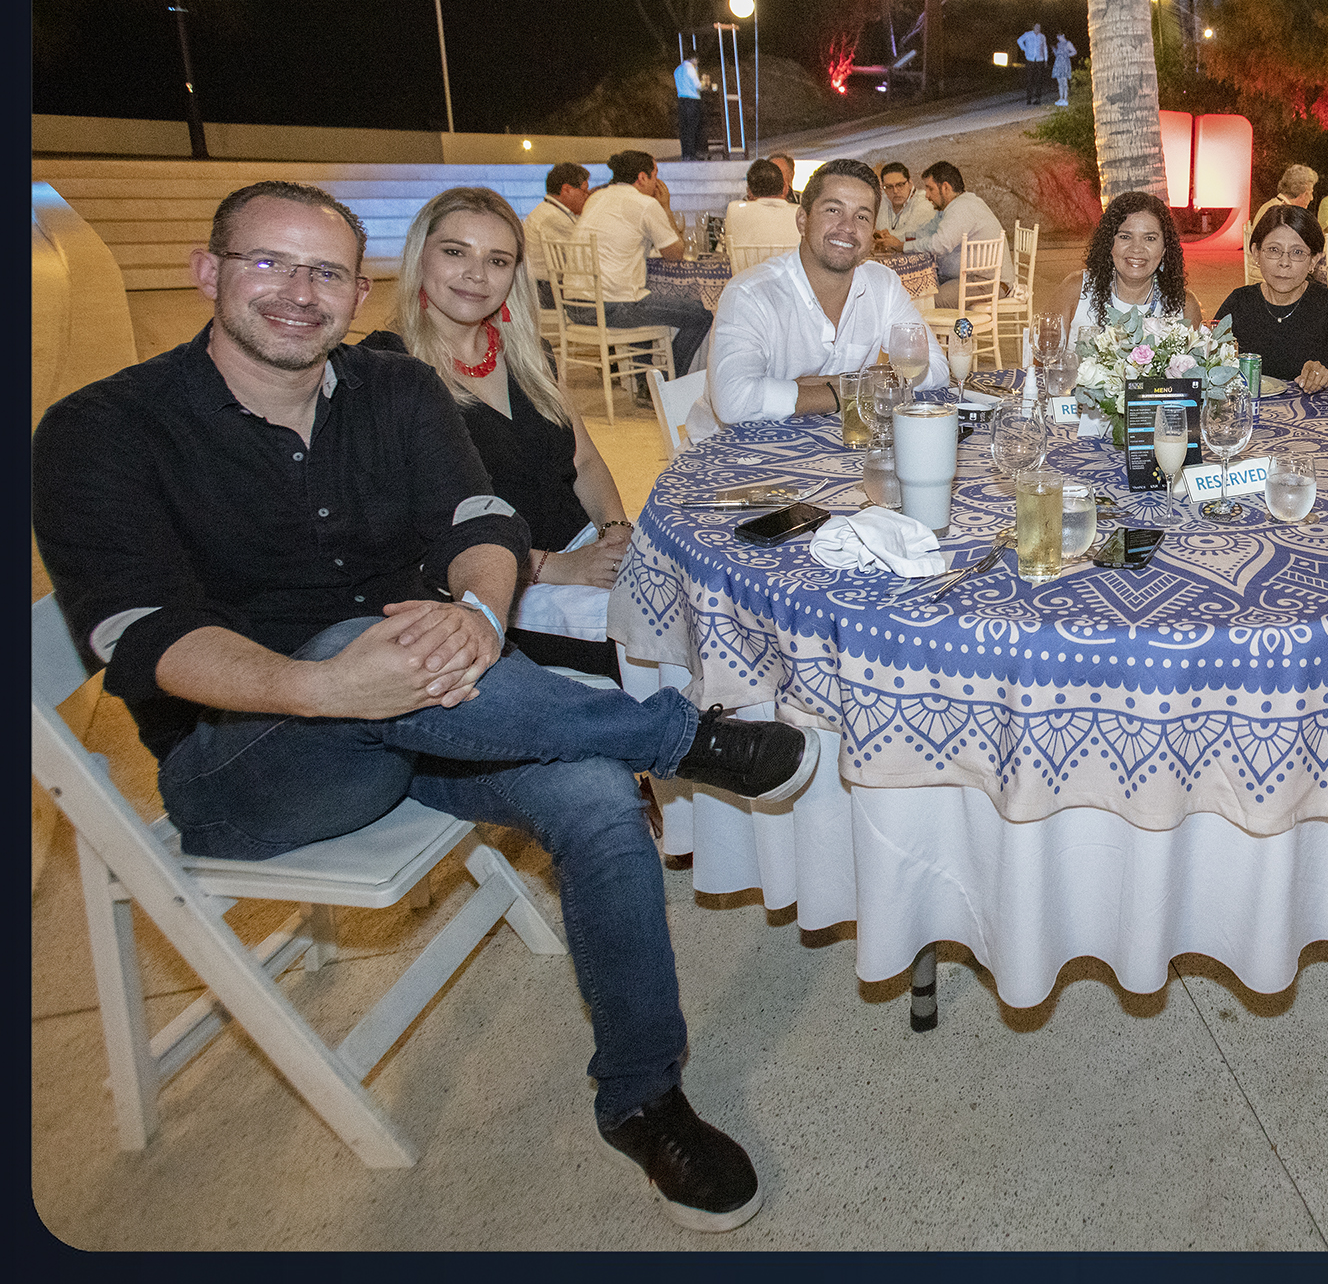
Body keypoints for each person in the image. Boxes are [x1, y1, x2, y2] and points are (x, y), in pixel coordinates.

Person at [31, 180, 826, 1232]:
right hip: (248, 759)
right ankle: (680, 736)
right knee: (353, 644)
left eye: (324, 271)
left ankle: (643, 1097)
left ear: (357, 289)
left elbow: (482, 519)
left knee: (595, 798)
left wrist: (482, 617)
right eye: (270, 263)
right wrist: (322, 685)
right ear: (207, 270)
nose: (299, 292)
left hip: (433, 707)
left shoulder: (393, 389)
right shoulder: (103, 428)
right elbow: (139, 634)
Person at [361, 187, 633, 675]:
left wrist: (615, 533)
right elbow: (409, 529)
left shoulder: (528, 355)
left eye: (497, 260)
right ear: (420, 255)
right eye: (455, 252)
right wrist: (556, 567)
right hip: (496, 584)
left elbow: (585, 461)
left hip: (581, 550)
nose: (476, 275)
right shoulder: (387, 369)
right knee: (657, 632)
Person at [707, 158, 950, 427]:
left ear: (872, 233)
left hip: (835, 442)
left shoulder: (883, 285)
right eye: (833, 210)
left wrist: (806, 388)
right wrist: (851, 389)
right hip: (741, 448)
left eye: (862, 216)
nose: (848, 227)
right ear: (802, 221)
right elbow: (734, 401)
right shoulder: (749, 294)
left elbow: (936, 369)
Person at [566, 151, 712, 378]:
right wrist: (665, 208)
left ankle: (644, 381)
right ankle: (666, 382)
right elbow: (675, 254)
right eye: (655, 175)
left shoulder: (596, 198)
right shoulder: (645, 204)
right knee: (701, 313)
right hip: (610, 307)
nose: (657, 183)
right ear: (642, 177)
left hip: (574, 305)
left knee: (642, 296)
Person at [1214, 204, 1328, 392]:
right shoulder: (1239, 303)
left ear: (1314, 260)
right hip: (1250, 409)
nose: (1284, 262)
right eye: (1274, 250)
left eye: (1297, 252)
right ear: (1256, 253)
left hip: (1309, 411)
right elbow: (1208, 365)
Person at [1068, 189, 1200, 339]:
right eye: (1125, 237)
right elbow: (1048, 350)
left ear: (1165, 248)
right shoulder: (1076, 291)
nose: (1137, 248)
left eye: (1150, 238)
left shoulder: (1185, 306)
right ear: (1109, 244)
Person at [881, 160, 1005, 309]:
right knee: (914, 293)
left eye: (930, 189)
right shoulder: (949, 208)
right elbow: (925, 231)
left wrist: (902, 246)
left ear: (945, 187)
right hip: (965, 279)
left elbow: (940, 244)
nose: (927, 195)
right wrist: (894, 240)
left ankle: (939, 324)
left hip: (986, 283)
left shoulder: (962, 207)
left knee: (924, 302)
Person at [524, 162, 589, 309]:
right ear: (566, 189)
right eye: (584, 191)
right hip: (547, 291)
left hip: (545, 288)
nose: (586, 197)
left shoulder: (549, 210)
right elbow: (584, 257)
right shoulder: (553, 217)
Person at [722, 158, 800, 251]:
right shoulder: (800, 215)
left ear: (750, 192)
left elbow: (721, 251)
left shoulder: (734, 210)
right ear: (785, 188)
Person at [875, 161, 940, 241]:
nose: (895, 191)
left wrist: (883, 237)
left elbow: (915, 236)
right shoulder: (881, 200)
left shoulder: (924, 203)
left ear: (910, 183)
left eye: (900, 185)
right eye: (889, 187)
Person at [672, 54, 704, 161]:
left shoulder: (677, 69)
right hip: (692, 100)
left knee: (684, 128)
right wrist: (704, 82)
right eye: (697, 60)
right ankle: (692, 154)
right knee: (692, 128)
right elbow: (698, 85)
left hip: (681, 100)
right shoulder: (690, 69)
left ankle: (685, 154)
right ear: (693, 58)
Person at [1016, 23, 1049, 106]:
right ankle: (1029, 98)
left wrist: (1046, 59)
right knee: (1029, 79)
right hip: (1030, 59)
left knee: (1039, 79)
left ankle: (1038, 98)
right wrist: (1025, 49)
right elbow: (1019, 40)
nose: (1038, 28)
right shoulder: (1028, 34)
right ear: (1033, 27)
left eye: (1039, 27)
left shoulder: (1042, 36)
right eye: (1036, 27)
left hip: (1039, 60)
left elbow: (1045, 47)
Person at [1050, 32, 1078, 106]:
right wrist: (1054, 50)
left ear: (1063, 35)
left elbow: (1074, 52)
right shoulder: (1058, 44)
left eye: (1059, 36)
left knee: (1064, 82)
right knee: (1060, 82)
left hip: (1064, 64)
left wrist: (1066, 55)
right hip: (1058, 63)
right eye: (1057, 37)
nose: (1058, 38)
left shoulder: (1068, 43)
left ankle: (1065, 98)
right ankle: (1061, 98)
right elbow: (1057, 54)